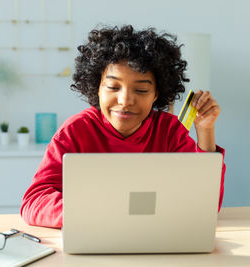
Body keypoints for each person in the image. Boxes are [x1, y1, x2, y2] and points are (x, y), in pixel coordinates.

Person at [21, 25, 226, 229]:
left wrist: (206, 131)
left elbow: (205, 204)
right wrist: (91, 212)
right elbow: (34, 202)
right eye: (113, 87)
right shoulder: (75, 131)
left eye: (141, 89)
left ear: (156, 94)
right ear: (97, 88)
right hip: (95, 234)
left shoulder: (169, 131)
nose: (125, 100)